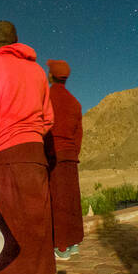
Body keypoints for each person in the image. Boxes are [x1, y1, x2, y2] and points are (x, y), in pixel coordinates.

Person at [0, 20, 55, 274]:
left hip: (5, 158)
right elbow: (48, 119)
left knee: (8, 232)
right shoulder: (38, 71)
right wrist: (31, 138)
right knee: (35, 228)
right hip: (35, 156)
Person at [44, 59, 84, 261]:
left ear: (51, 75)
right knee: (71, 199)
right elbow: (79, 134)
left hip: (53, 155)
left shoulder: (46, 98)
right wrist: (73, 152)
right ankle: (74, 241)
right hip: (70, 156)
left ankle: (61, 247)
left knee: (57, 201)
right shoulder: (75, 103)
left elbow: (43, 128)